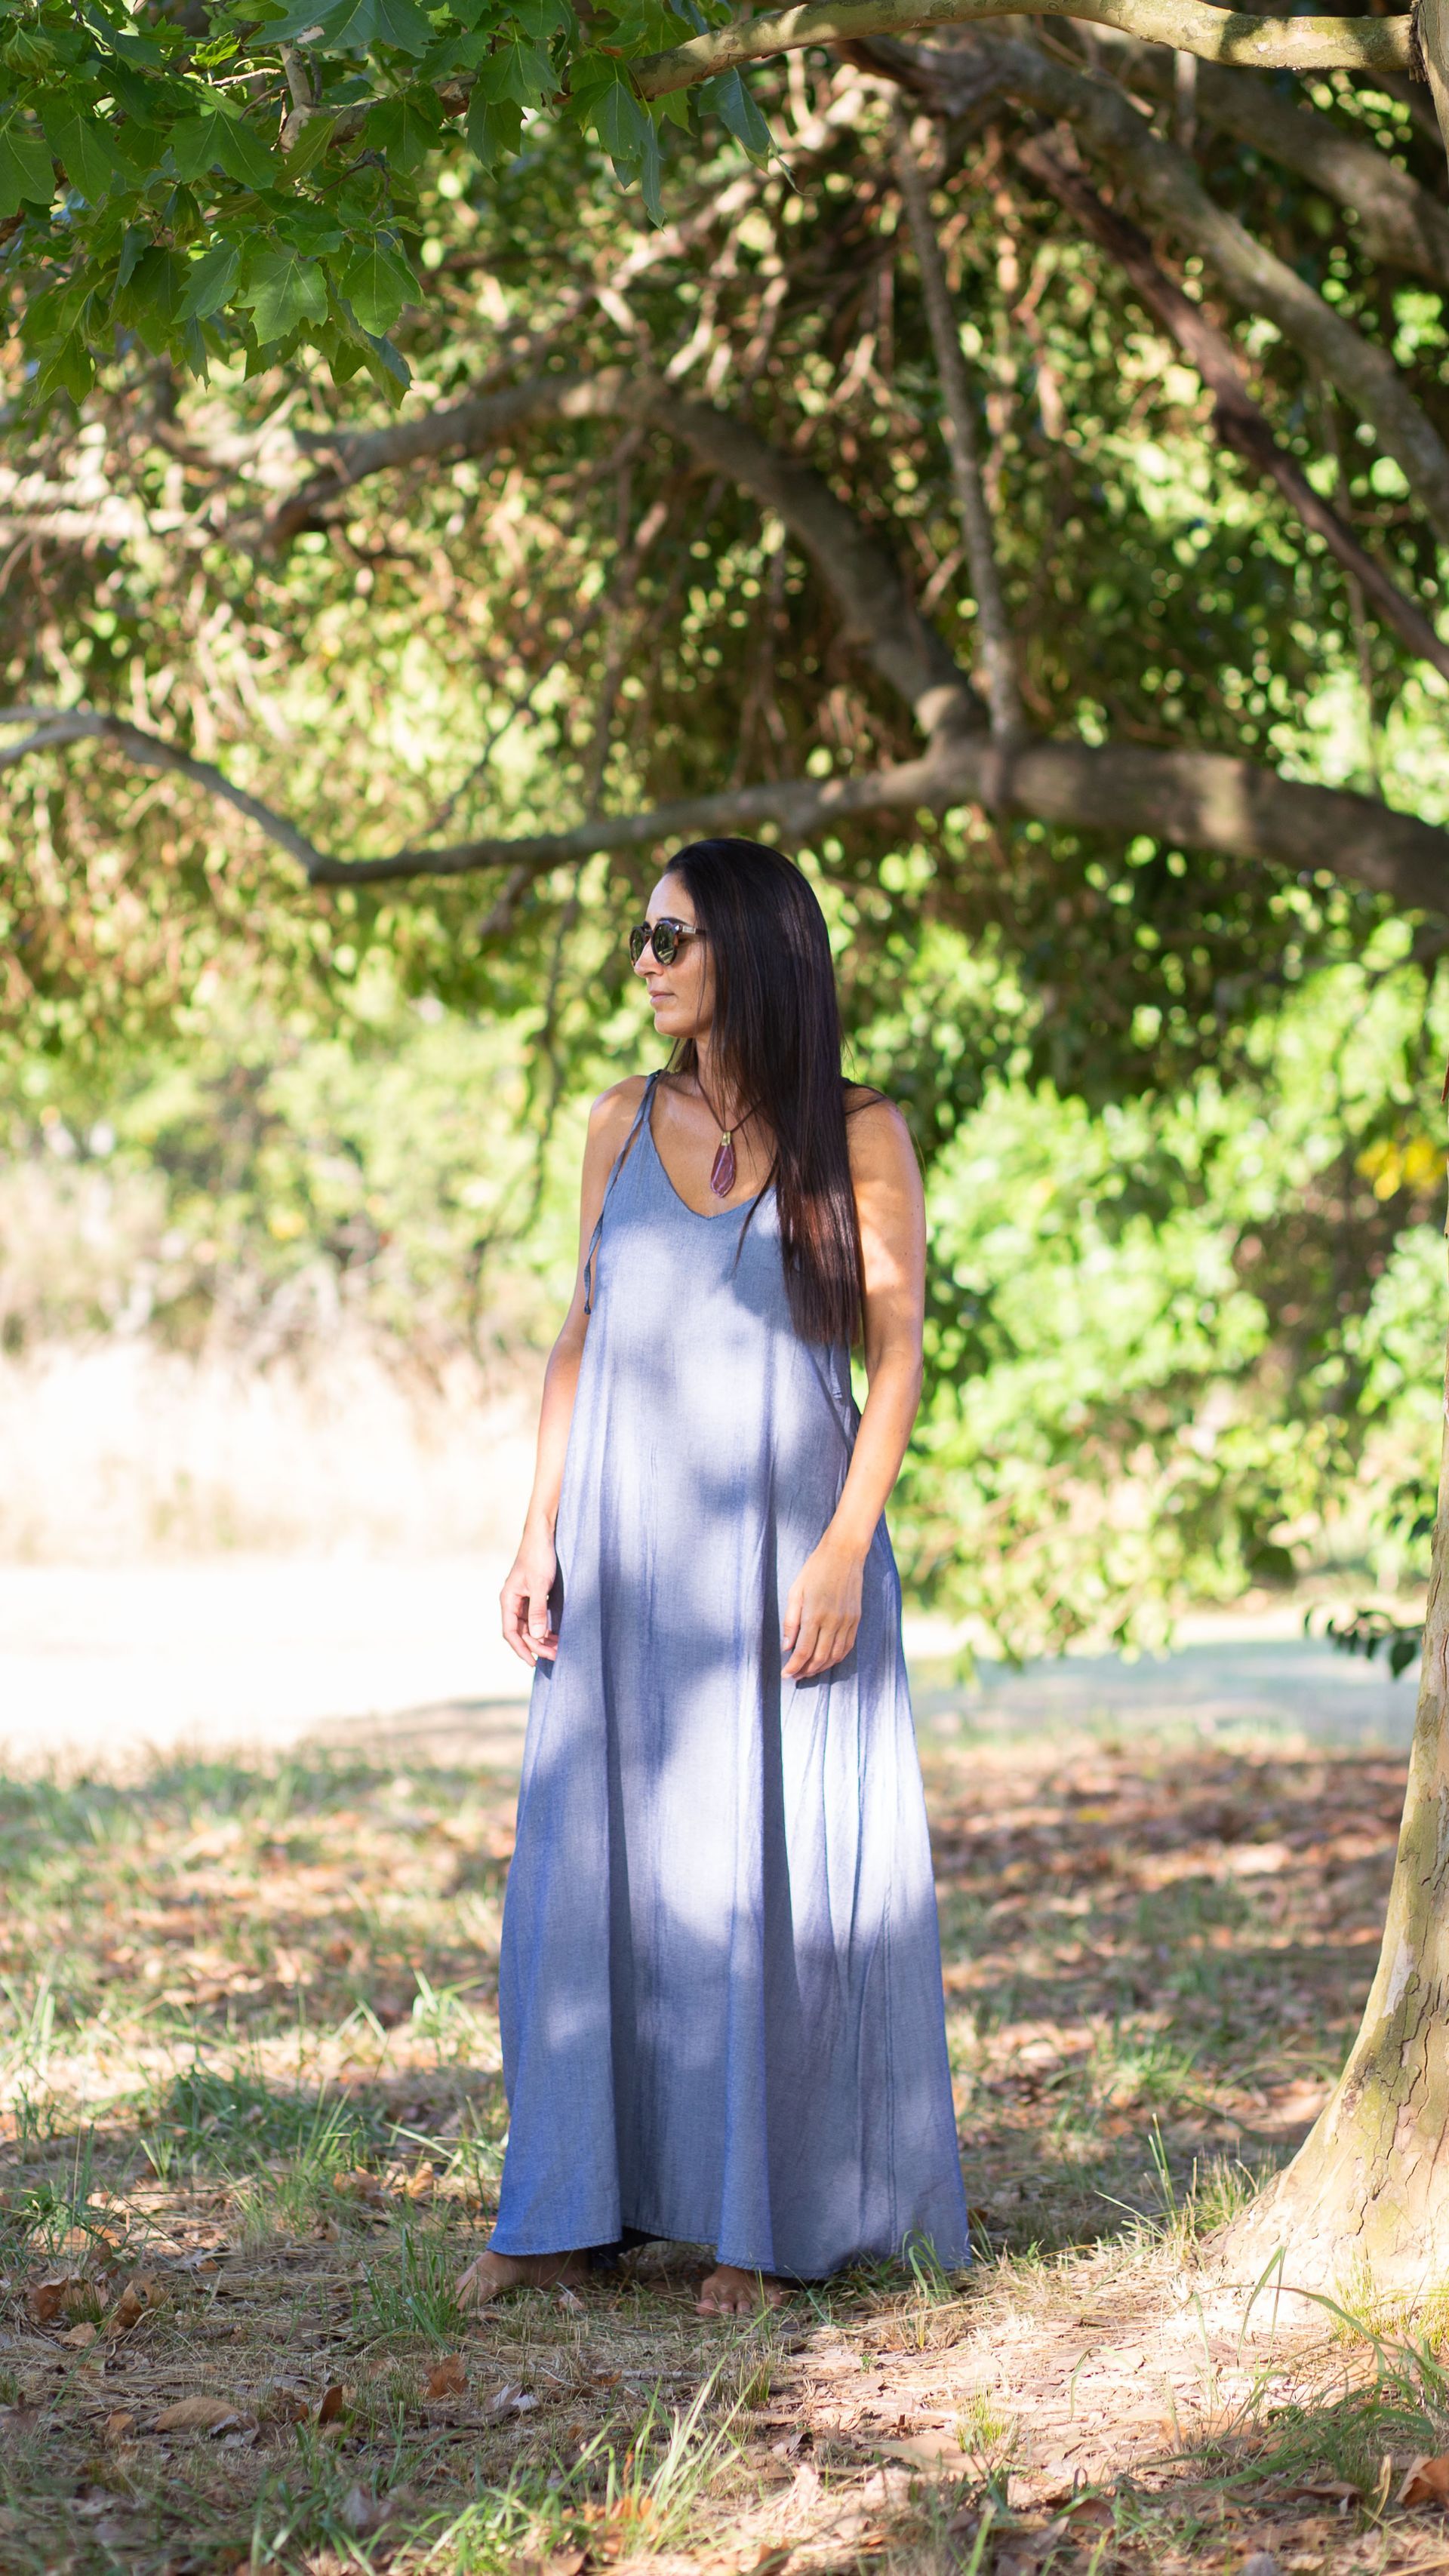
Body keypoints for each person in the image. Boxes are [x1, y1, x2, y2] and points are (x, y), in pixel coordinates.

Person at [457, 838, 968, 2316]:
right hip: (624, 1554)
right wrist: (538, 1523)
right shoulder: (618, 1122)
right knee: (590, 1879)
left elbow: (899, 1354)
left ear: (747, 943)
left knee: (773, 1880)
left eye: (670, 934)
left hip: (789, 1560)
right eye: (642, 935)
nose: (647, 960)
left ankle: (761, 2225)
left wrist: (842, 1547)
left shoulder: (857, 1134)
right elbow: (582, 1330)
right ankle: (559, 2207)